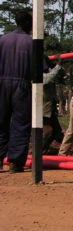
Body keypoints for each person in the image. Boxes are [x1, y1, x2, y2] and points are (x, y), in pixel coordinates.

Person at [0, 11, 32, 173]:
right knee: (21, 124)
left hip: (2, 84)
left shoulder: (3, 40)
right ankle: (16, 162)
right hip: (22, 85)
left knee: (1, 122)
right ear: (27, 23)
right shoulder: (32, 43)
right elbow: (41, 69)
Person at [42, 55, 65, 154]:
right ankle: (39, 152)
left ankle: (46, 150)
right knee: (48, 131)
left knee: (57, 133)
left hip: (49, 109)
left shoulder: (50, 71)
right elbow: (49, 79)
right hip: (42, 110)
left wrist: (57, 65)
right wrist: (58, 65)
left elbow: (61, 75)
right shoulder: (37, 73)